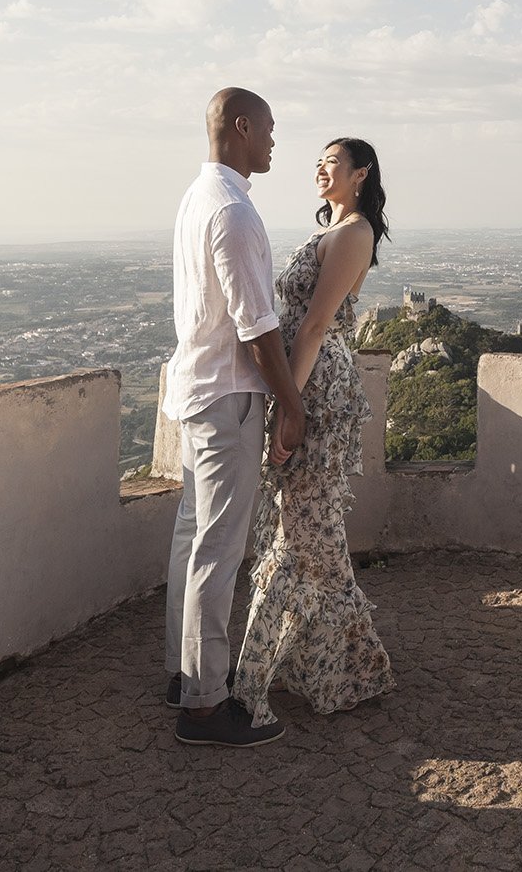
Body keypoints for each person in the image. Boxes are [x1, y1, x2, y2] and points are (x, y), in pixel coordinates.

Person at [163, 88, 307, 748]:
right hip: (228, 399)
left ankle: (183, 674)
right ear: (242, 127)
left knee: (193, 540)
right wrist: (292, 403)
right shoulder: (235, 212)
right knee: (217, 550)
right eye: (270, 130)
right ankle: (203, 705)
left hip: (195, 391)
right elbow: (257, 330)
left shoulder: (198, 198)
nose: (275, 142)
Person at [234, 136, 394, 724]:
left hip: (320, 392)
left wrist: (288, 404)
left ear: (361, 174)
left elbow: (317, 325)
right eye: (318, 163)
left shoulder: (354, 233)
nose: (319, 171)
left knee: (310, 532)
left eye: (331, 163)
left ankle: (351, 665)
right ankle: (315, 665)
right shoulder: (335, 230)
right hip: (310, 386)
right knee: (301, 534)